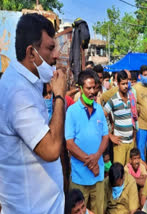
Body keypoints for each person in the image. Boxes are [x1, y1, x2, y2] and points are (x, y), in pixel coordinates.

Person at [0, 13, 66, 213]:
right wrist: (59, 96)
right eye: (50, 48)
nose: (56, 55)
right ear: (31, 53)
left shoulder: (27, 84)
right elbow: (52, 149)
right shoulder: (17, 92)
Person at [65, 71, 109, 214]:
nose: (92, 92)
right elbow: (70, 144)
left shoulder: (99, 110)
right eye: (88, 88)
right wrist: (91, 163)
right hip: (80, 177)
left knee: (98, 211)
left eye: (94, 88)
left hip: (98, 175)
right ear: (80, 89)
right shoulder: (72, 111)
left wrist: (96, 158)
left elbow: (105, 137)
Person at [104, 70, 135, 166]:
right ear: (118, 84)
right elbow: (101, 118)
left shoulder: (131, 97)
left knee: (128, 172)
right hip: (120, 144)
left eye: (127, 83)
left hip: (131, 142)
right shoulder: (113, 100)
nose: (126, 86)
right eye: (123, 84)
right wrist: (110, 136)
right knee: (119, 173)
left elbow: (134, 117)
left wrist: (134, 136)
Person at [134, 65, 147, 161]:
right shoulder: (136, 88)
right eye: (145, 75)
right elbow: (133, 104)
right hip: (141, 125)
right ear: (140, 76)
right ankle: (142, 171)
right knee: (140, 149)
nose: (146, 77)